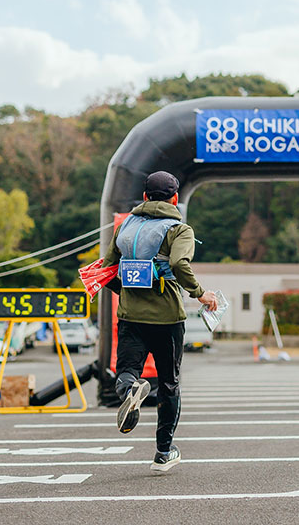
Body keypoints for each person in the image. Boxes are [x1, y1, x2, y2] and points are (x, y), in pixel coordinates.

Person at [101, 170, 219, 472]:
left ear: (144, 197)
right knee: (169, 384)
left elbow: (108, 268)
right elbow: (179, 263)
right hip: (167, 319)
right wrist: (200, 293)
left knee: (126, 371)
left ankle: (131, 388)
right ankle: (164, 452)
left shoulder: (125, 226)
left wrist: (125, 292)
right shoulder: (179, 230)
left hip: (130, 316)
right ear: (175, 198)